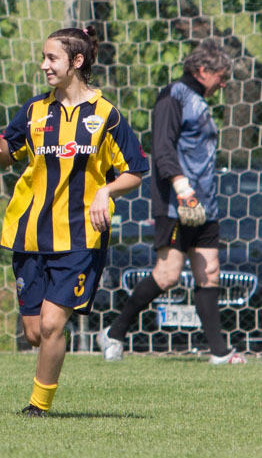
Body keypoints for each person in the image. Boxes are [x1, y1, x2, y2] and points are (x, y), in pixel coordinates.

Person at [0, 26, 148, 415]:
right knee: (33, 333)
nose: (44, 65)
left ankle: (38, 407)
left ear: (76, 62)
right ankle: (42, 386)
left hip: (80, 237)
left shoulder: (106, 115)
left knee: (50, 326)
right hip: (30, 233)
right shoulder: (34, 111)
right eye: (43, 58)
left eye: (51, 58)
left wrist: (105, 192)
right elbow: (7, 155)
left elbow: (134, 170)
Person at [97, 41, 241, 364]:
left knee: (211, 272)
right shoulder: (173, 96)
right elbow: (161, 148)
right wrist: (181, 186)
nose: (224, 82)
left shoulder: (200, 102)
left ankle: (219, 353)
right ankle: (114, 331)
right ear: (203, 70)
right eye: (221, 75)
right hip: (177, 202)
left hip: (204, 204)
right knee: (167, 275)